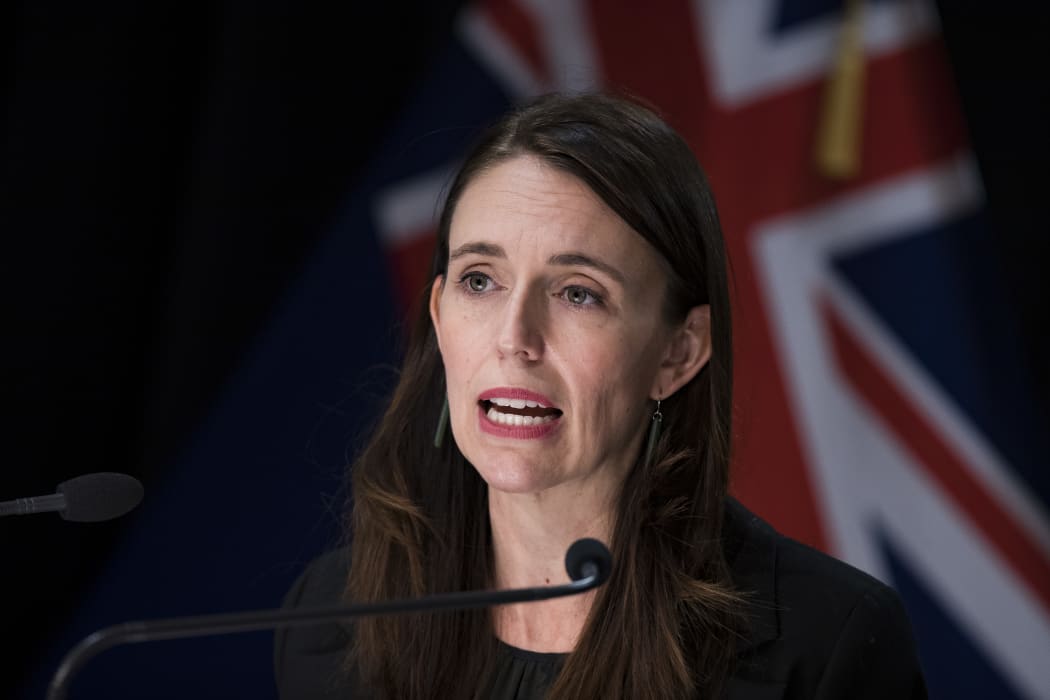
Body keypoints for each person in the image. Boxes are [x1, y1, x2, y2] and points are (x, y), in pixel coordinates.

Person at [274, 92, 927, 699]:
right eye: (481, 280)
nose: (515, 338)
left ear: (679, 352)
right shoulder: (331, 620)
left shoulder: (824, 645)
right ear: (440, 316)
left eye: (578, 292)